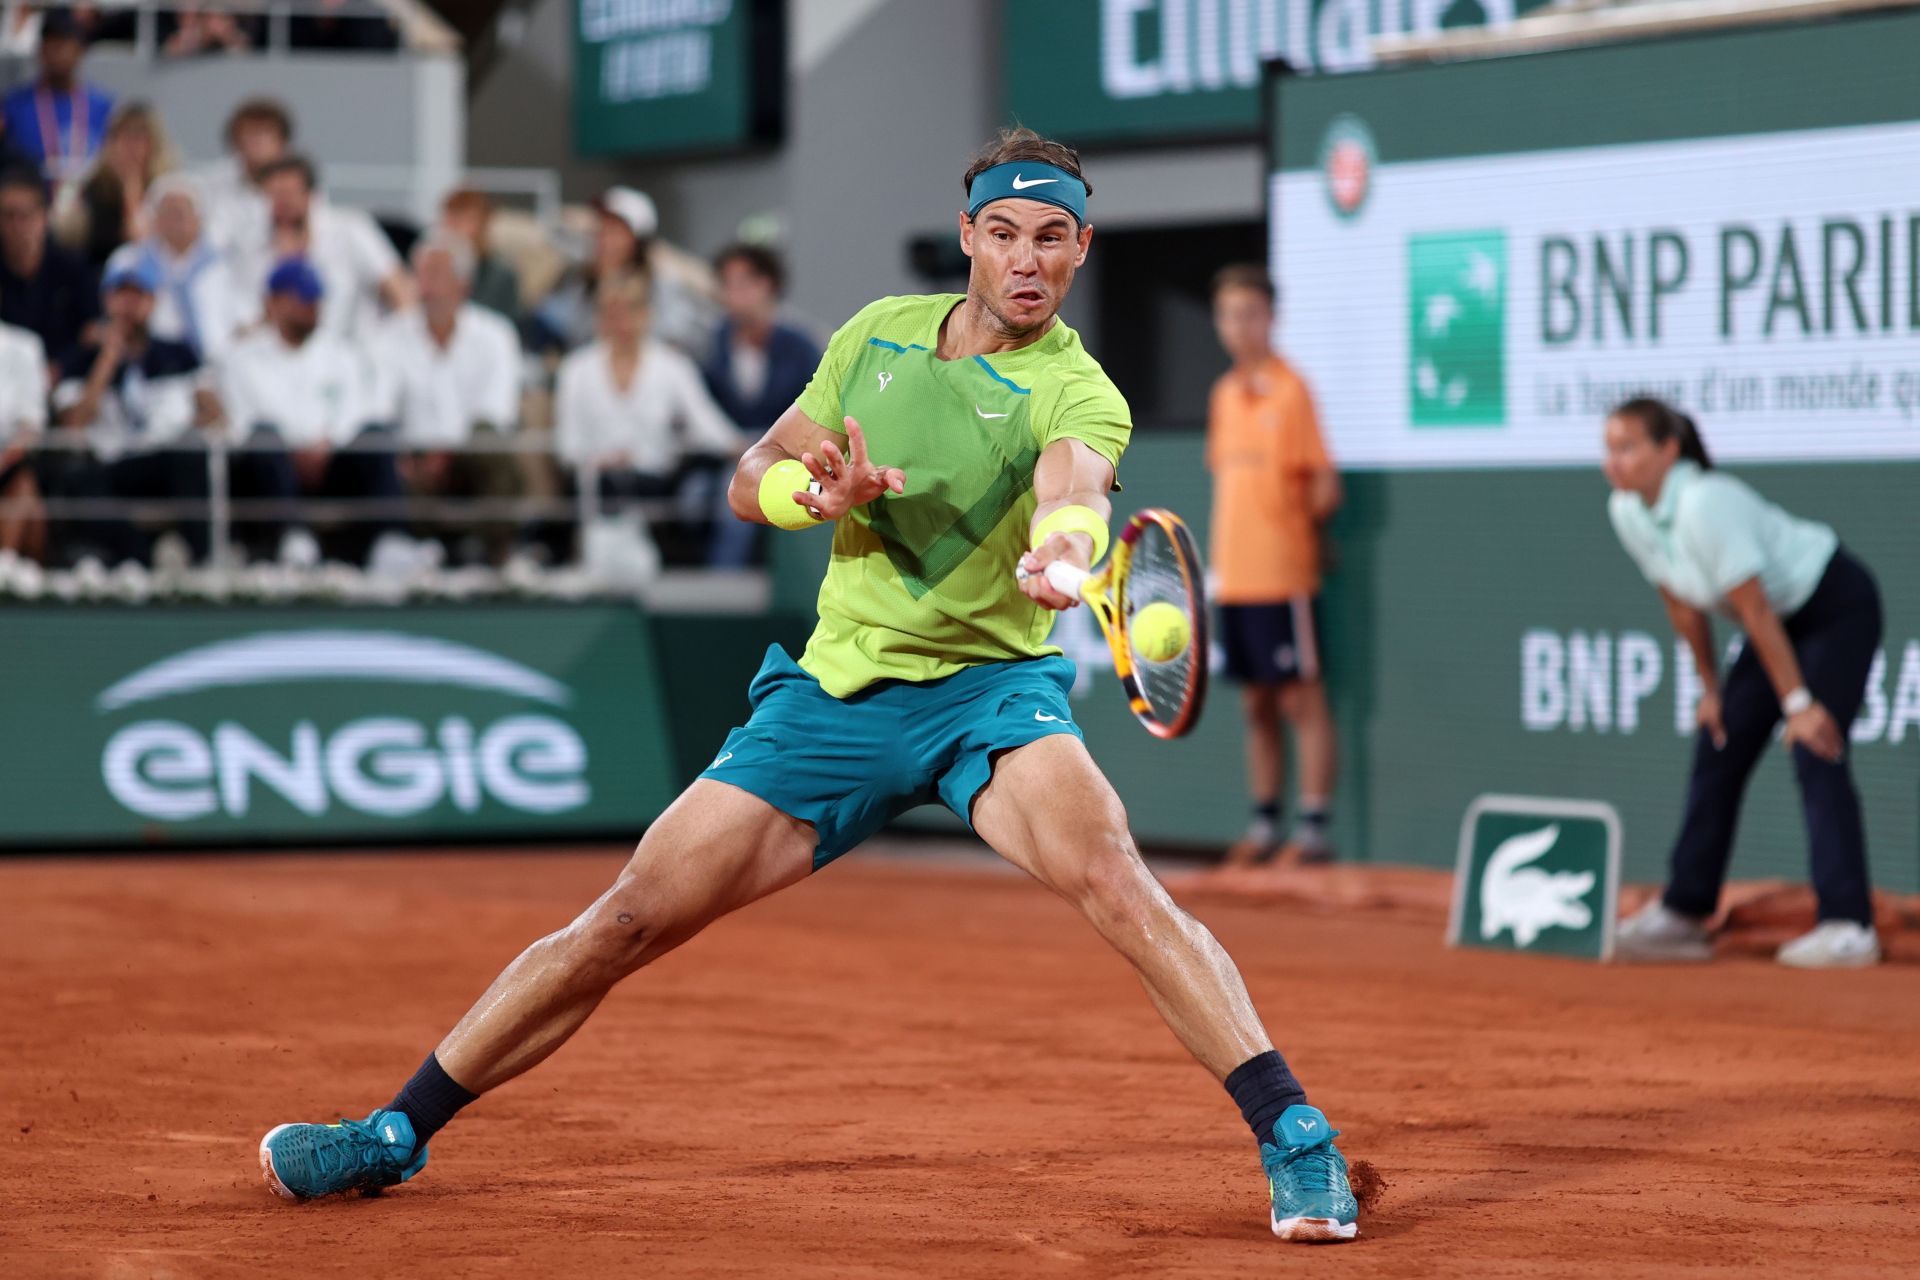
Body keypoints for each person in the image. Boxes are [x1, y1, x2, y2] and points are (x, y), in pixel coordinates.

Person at [257, 127, 1363, 1246]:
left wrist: (1065, 552)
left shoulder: (1079, 390)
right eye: (1005, 234)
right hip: (832, 698)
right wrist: (810, 498)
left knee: (1120, 877)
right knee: (625, 916)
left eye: (1053, 238)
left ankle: (1298, 1139)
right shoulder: (873, 339)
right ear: (970, 237)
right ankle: (393, 1131)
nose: (1027, 260)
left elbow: (1071, 486)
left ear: (1082, 248)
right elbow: (750, 476)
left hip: (990, 694)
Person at [1604, 398, 1886, 969]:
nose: (1616, 462)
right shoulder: (1627, 509)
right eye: (1609, 449)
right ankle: (1684, 914)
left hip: (1833, 605)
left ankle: (1849, 924)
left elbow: (1755, 611)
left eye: (1629, 448)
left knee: (1815, 744)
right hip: (1776, 624)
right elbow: (1681, 604)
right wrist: (1711, 689)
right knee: (1721, 738)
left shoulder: (1705, 504)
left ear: (1669, 450)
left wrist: (1800, 704)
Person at [1206, 265, 1342, 865]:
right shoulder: (1223, 396)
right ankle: (1265, 825)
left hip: (1284, 575)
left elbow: (1325, 487)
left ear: (1271, 318)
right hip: (1232, 576)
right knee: (1254, 704)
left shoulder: (1294, 391)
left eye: (1250, 314)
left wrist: (1299, 537)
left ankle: (1312, 829)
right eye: (1229, 315)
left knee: (1299, 701)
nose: (1239, 327)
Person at [218, 256, 402, 566]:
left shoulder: (343, 355)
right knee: (264, 440)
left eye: (315, 298)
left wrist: (326, 447)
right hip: (273, 471)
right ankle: (291, 538)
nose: (313, 306)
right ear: (273, 303)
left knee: (376, 436)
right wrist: (296, 448)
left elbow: (356, 413)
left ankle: (391, 543)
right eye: (303, 298)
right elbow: (241, 424)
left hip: (331, 464)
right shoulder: (242, 360)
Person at [51, 244, 216, 562]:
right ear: (106, 300)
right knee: (77, 481)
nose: (129, 304)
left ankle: (201, 562)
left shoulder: (179, 354)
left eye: (138, 294)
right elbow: (73, 423)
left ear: (152, 301)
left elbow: (215, 412)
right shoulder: (81, 359)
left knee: (193, 456)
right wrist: (107, 359)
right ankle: (145, 558)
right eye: (121, 294)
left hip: (164, 459)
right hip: (111, 463)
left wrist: (193, 418)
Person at [370, 231, 522, 561]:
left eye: (437, 273)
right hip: (414, 458)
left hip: (473, 458)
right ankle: (413, 552)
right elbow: (380, 409)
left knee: (491, 446)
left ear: (464, 284)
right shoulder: (387, 337)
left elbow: (497, 413)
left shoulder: (497, 336)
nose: (425, 285)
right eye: (420, 273)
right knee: (379, 454)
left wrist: (449, 454)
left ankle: (491, 551)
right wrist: (413, 457)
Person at [701, 242, 819, 565]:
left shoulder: (801, 347)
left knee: (734, 500)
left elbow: (814, 411)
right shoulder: (716, 345)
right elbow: (705, 406)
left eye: (741, 284)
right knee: (693, 495)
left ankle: (724, 585)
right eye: (726, 285)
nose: (732, 295)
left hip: (786, 455)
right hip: (723, 454)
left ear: (766, 286)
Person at [231, 154, 411, 340]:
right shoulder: (253, 252)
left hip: (354, 355)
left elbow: (401, 293)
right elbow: (245, 327)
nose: (281, 204)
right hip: (284, 361)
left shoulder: (351, 230)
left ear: (310, 195)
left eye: (287, 194)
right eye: (273, 196)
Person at [532, 185, 714, 356]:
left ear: (638, 242)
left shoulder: (664, 285)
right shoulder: (582, 286)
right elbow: (555, 327)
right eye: (600, 230)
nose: (603, 241)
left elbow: (685, 342)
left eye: (614, 231)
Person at [0, 165, 98, 369]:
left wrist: (60, 367)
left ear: (44, 217)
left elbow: (93, 334)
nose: (17, 226)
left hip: (65, 379)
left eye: (25, 216)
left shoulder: (73, 270)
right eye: (8, 216)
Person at [0, 8, 112, 184]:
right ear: (40, 50)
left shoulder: (104, 106)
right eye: (51, 43)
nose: (57, 52)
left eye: (64, 43)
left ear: (80, 50)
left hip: (86, 204)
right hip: (31, 202)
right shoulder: (13, 106)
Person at [60, 100, 178, 268]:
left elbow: (145, 241)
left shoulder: (169, 187)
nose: (129, 145)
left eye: (138, 136)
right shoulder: (95, 187)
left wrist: (132, 192)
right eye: (121, 135)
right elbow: (72, 236)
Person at [137, 174, 239, 364]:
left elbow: (242, 320)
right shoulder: (132, 263)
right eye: (169, 211)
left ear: (199, 217)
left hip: (218, 365)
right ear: (155, 218)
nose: (178, 218)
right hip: (155, 370)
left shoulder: (224, 265)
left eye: (184, 210)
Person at [194, 98, 291, 256]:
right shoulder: (209, 183)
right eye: (251, 133)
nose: (259, 141)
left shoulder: (300, 187)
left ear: (282, 142)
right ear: (235, 142)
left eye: (267, 132)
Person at [0, 316, 48, 561]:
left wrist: (4, 460)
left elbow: (31, 425)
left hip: (8, 465)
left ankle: (6, 574)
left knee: (24, 490)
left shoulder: (24, 345)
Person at [437, 188, 519, 324]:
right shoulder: (429, 270)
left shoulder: (501, 276)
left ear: (483, 224)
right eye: (450, 218)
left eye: (462, 219)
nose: (453, 227)